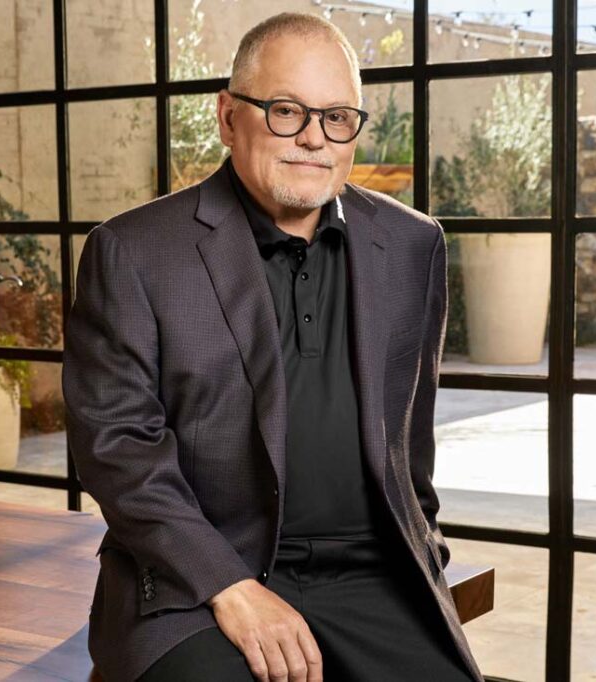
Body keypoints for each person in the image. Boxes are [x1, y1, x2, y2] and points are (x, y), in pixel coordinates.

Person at [62, 11, 484, 682]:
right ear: (230, 117)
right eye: (286, 110)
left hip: (373, 574)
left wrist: (424, 548)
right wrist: (229, 587)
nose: (313, 139)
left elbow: (411, 435)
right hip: (200, 582)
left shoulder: (413, 245)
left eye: (338, 117)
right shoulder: (133, 251)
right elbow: (117, 449)